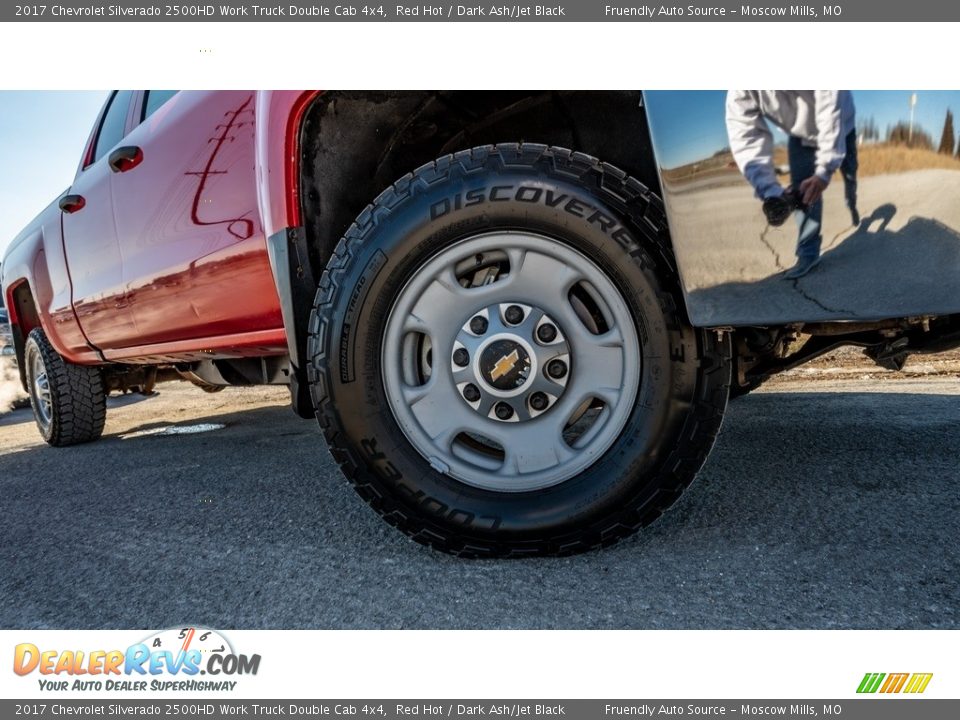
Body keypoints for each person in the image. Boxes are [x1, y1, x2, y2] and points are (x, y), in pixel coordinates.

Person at [725, 90, 860, 279]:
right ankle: (808, 252)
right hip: (801, 134)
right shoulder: (740, 92)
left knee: (850, 172)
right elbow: (746, 137)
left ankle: (851, 201)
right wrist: (772, 193)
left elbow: (829, 98)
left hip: (842, 124)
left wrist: (824, 170)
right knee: (803, 194)